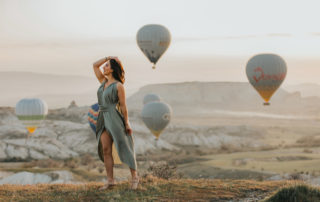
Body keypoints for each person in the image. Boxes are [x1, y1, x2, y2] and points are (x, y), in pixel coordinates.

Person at [93, 56, 139, 190]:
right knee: (106, 149)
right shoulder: (103, 81)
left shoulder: (118, 86)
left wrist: (127, 123)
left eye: (107, 65)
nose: (103, 67)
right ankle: (110, 181)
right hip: (102, 117)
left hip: (113, 116)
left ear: (112, 69)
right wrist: (108, 57)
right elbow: (95, 65)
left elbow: (123, 106)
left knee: (124, 145)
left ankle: (135, 177)